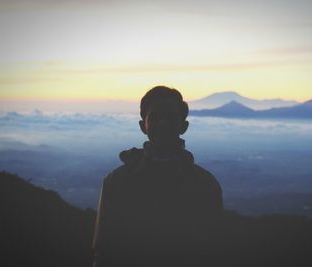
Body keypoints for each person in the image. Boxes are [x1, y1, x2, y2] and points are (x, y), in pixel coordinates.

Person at [92, 86, 223, 267]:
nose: (163, 123)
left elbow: (211, 251)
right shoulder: (116, 182)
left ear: (183, 126)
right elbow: (104, 252)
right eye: (155, 117)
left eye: (170, 117)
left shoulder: (205, 185)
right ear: (142, 126)